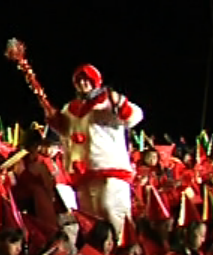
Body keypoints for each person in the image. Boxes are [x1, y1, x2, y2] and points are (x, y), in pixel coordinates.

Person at [51, 65, 144, 242]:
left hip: (110, 170)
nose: (83, 83)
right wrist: (56, 121)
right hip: (84, 174)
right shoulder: (70, 109)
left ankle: (124, 252)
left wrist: (120, 104)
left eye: (87, 79)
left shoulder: (107, 101)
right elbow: (67, 132)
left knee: (112, 209)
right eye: (79, 80)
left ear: (95, 81)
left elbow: (135, 116)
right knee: (90, 220)